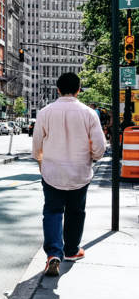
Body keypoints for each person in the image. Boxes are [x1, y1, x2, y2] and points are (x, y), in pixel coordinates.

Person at [32, 72, 106, 277]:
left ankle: (53, 253)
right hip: (80, 171)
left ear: (57, 89)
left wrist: (40, 160)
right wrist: (92, 157)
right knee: (76, 211)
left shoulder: (45, 112)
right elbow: (99, 147)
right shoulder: (89, 113)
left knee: (53, 211)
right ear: (78, 89)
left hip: (52, 170)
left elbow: (36, 145)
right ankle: (72, 250)